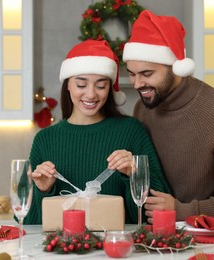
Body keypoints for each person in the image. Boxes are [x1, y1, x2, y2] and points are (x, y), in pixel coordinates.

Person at [122, 10, 214, 224]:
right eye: (132, 74)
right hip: (159, 235)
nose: (136, 84)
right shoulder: (142, 109)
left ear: (176, 68)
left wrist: (185, 211)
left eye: (147, 74)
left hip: (211, 239)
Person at [24, 39, 171, 225]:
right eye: (81, 85)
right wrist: (43, 191)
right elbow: (28, 223)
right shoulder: (44, 140)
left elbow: (158, 213)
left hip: (118, 249)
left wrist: (133, 175)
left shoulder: (131, 131)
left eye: (101, 86)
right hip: (62, 252)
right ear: (67, 85)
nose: (91, 94)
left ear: (109, 88)